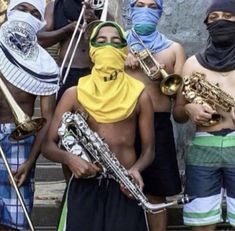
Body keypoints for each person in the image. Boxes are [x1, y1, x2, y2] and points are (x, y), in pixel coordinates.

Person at [42, 21, 155, 231]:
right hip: (85, 186)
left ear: (124, 49)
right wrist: (70, 159)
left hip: (125, 187)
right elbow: (48, 145)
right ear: (92, 49)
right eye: (101, 42)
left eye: (115, 42)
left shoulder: (140, 95)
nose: (108, 47)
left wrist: (137, 170)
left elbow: (149, 149)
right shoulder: (74, 94)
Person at [173, 0, 235, 230]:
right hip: (202, 149)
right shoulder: (191, 64)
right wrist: (189, 109)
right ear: (207, 23)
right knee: (201, 223)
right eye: (214, 17)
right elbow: (178, 112)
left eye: (228, 17)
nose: (221, 21)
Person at [125, 0, 185, 230]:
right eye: (140, 4)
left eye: (152, 6)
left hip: (159, 125)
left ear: (160, 12)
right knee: (121, 190)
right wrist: (121, 62)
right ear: (131, 9)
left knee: (157, 195)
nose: (145, 10)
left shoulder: (174, 49)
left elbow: (179, 105)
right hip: (123, 124)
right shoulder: (118, 44)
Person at [0, 0, 59, 230]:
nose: (27, 16)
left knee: (15, 220)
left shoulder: (45, 65)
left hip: (21, 142)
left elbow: (47, 118)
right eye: (22, 9)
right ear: (10, 12)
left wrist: (30, 160)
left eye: (35, 13)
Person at [37, 0, 113, 103]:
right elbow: (40, 40)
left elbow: (112, 44)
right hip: (65, 73)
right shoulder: (55, 6)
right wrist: (67, 29)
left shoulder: (102, 8)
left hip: (94, 73)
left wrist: (94, 21)